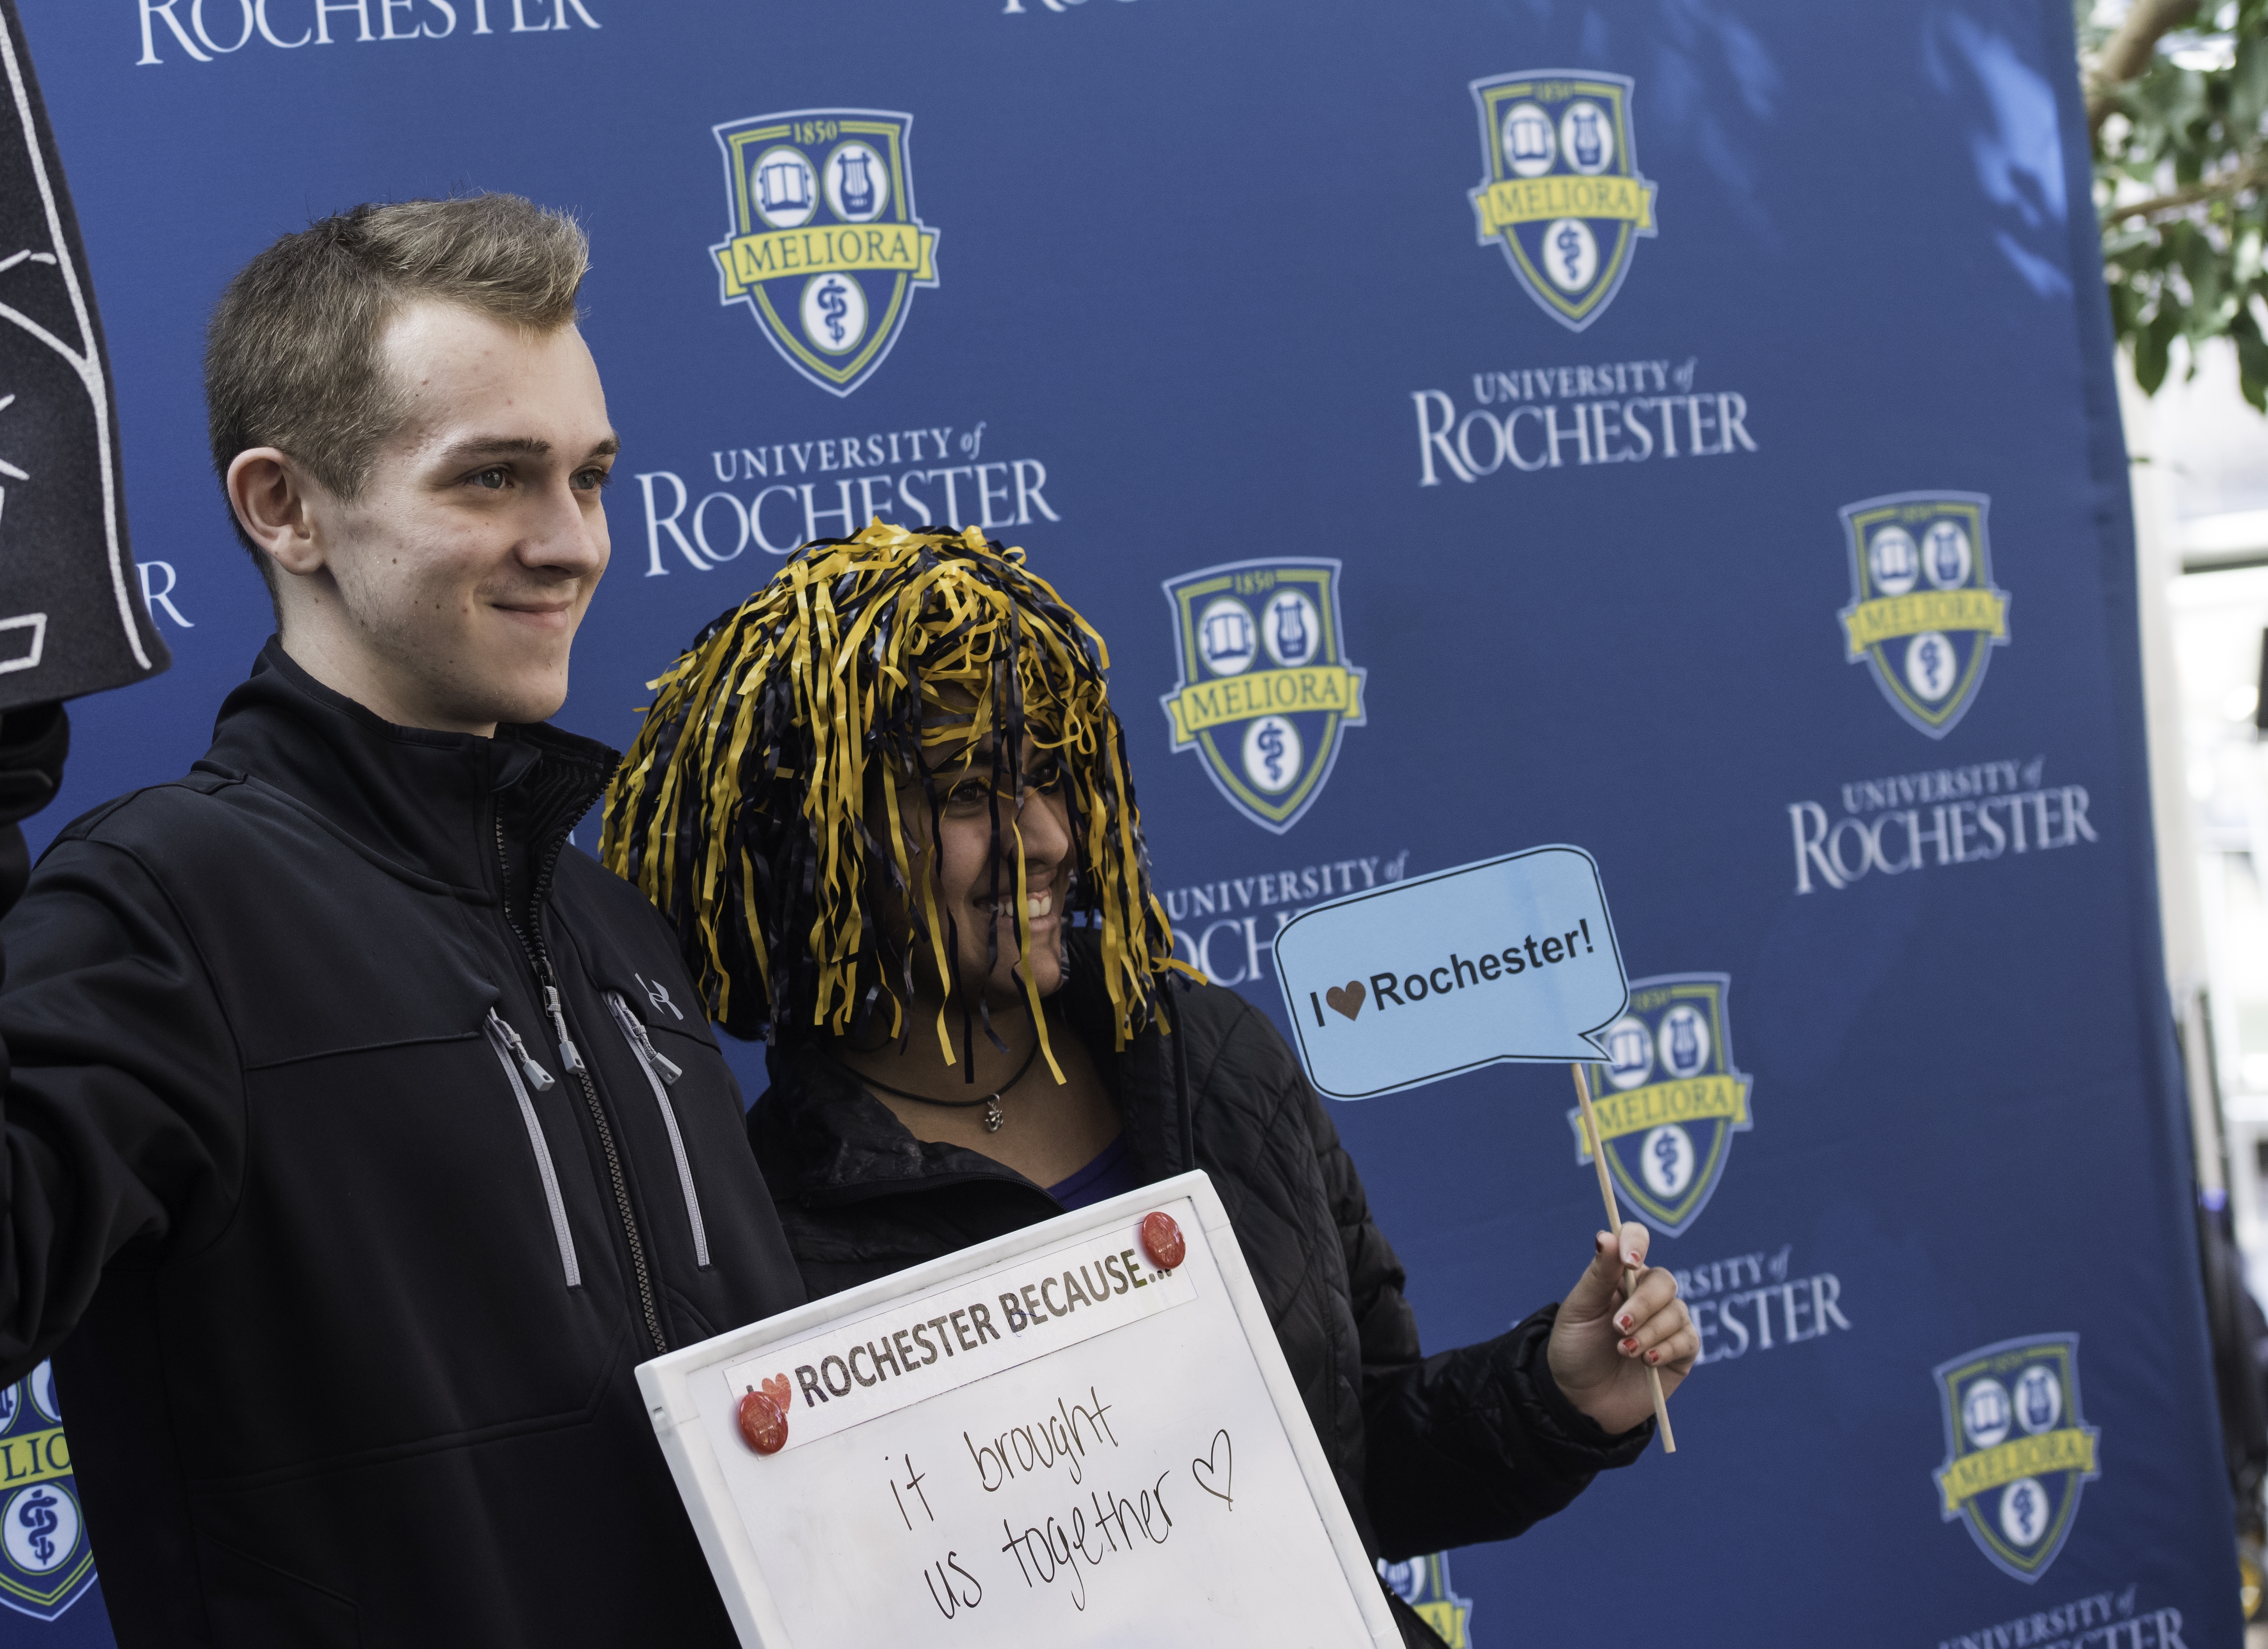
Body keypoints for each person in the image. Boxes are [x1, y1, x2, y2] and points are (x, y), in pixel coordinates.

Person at [0, 195, 806, 1645]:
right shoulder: (161, 913)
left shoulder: (614, 930)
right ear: (285, 507)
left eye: (591, 477)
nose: (571, 542)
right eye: (493, 478)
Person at [600, 522, 1699, 1649]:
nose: (1043, 836)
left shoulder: (1208, 1056)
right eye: (970, 791)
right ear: (817, 840)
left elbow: (1361, 1461)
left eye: (1051, 778)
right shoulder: (761, 1224)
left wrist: (1554, 1392)